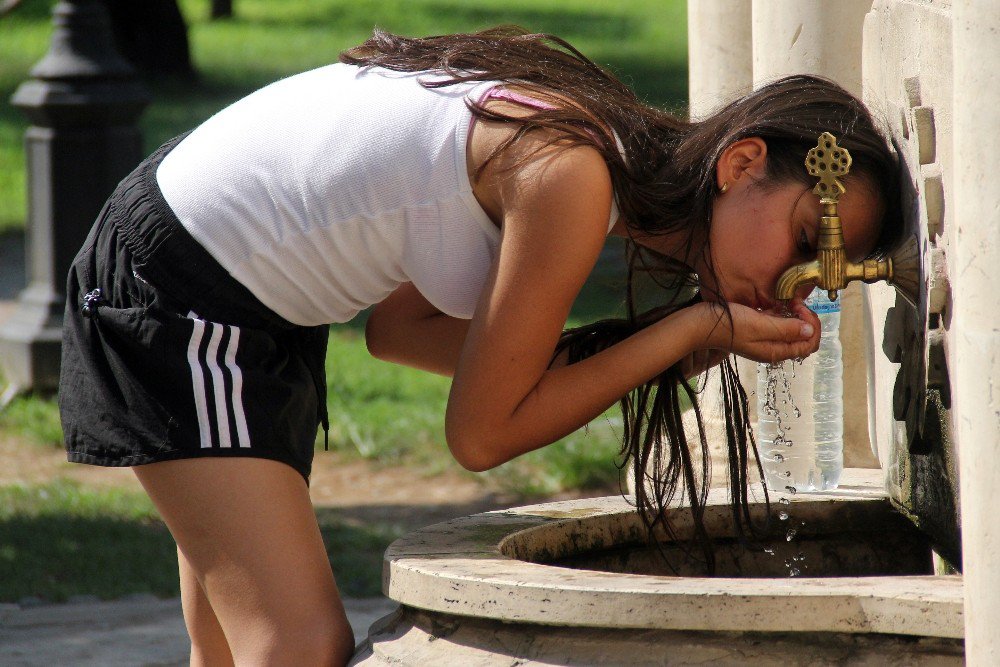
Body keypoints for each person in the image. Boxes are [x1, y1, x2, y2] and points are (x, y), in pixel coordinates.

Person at [58, 26, 903, 666]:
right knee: (300, 646)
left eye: (822, 273)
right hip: (184, 291)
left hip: (234, 295)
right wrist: (689, 327)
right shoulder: (571, 173)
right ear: (741, 162)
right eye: (802, 239)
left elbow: (402, 332)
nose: (796, 282)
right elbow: (482, 435)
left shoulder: (581, 139)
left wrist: (656, 343)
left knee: (237, 653)